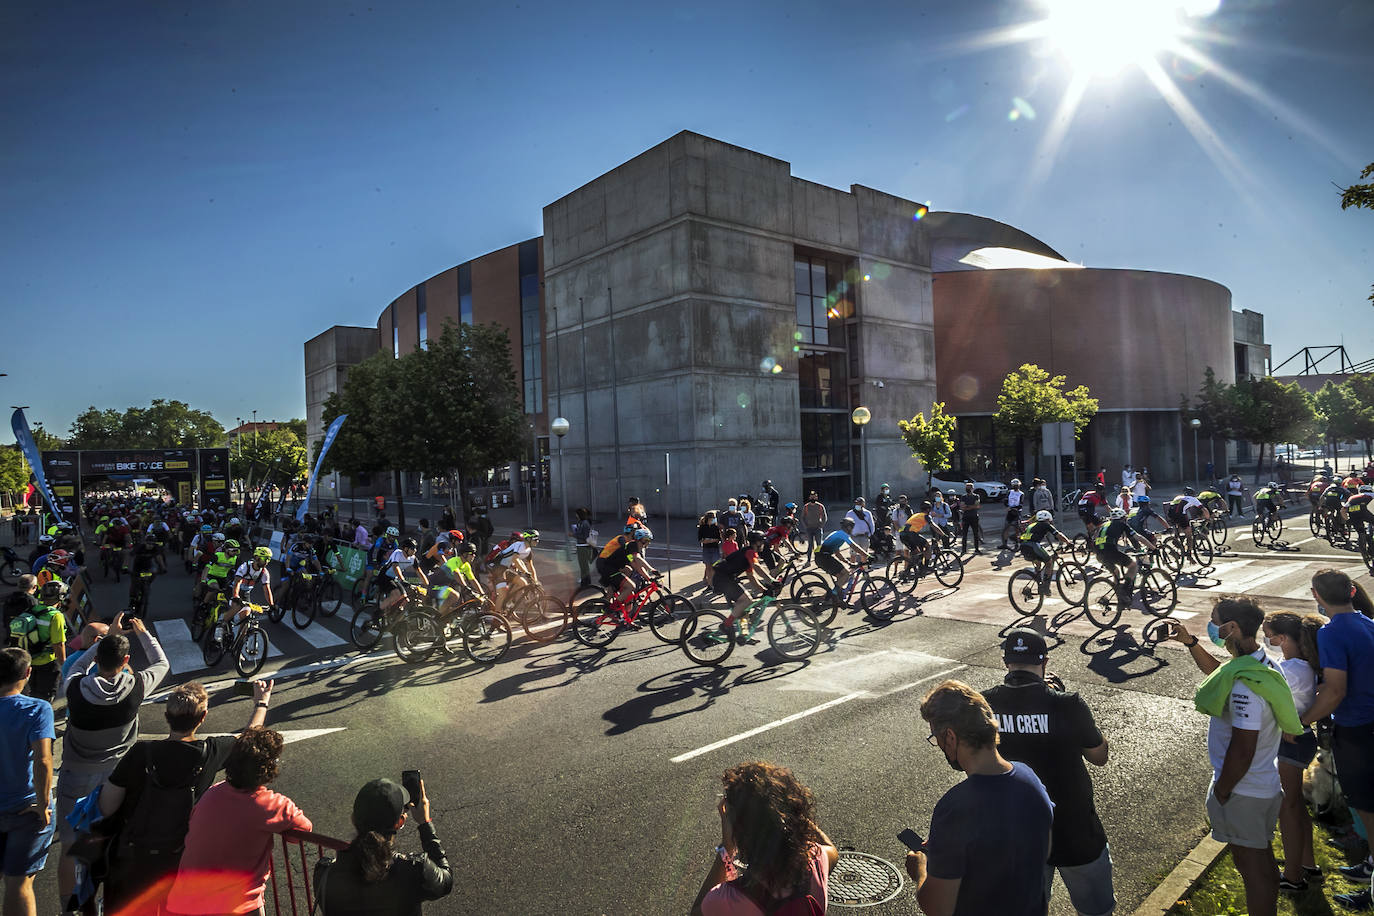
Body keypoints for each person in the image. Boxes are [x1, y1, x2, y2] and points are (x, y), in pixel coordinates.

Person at [1169, 598, 1303, 916]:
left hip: (1244, 790)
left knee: (1254, 867)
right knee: (1253, 860)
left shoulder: (1246, 685)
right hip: (1259, 785)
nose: (1212, 627)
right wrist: (1190, 642)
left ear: (1232, 628)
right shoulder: (1257, 666)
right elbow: (1219, 674)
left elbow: (1244, 748)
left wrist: (1222, 789)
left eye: (1215, 622)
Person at [98, 679, 276, 912]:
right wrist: (261, 703)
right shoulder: (209, 752)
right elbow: (249, 739)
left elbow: (107, 805)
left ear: (166, 716)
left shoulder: (141, 752)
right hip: (185, 858)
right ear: (202, 718)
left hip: (137, 856)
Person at [983, 629, 1113, 916]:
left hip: (1016, 832)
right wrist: (1060, 698)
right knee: (1097, 911)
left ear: (1006, 662)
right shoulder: (1067, 703)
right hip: (1075, 829)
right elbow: (1099, 756)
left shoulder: (984, 705)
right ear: (1045, 662)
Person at [905, 680, 1054, 916]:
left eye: (936, 737)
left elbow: (938, 909)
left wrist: (922, 869)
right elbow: (1043, 850)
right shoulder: (1030, 778)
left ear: (951, 737)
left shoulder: (955, 808)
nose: (940, 746)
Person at [56, 614, 170, 913]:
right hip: (119, 777)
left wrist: (106, 640)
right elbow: (162, 664)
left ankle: (71, 907)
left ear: (97, 658)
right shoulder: (136, 686)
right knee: (116, 841)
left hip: (76, 775)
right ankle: (111, 902)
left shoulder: (76, 687)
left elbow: (78, 665)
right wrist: (144, 633)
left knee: (70, 845)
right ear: (127, 659)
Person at [164, 727, 311, 915]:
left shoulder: (212, 793)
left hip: (184, 901)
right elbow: (302, 832)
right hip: (236, 904)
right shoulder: (271, 805)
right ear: (268, 768)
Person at [1299, 570, 1374, 910]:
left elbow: (1335, 690)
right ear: (1353, 590)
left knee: (1370, 812)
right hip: (1371, 724)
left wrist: (1302, 719)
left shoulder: (1331, 633)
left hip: (1356, 731)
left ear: (1317, 595)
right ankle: (1371, 867)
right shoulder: (1369, 623)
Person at [689, 761, 837, 916]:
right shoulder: (816, 862)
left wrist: (727, 847)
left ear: (738, 830)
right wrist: (792, 814)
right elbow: (830, 848)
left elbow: (697, 912)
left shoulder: (727, 900)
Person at [315, 777, 454, 915]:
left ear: (353, 819)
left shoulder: (324, 874)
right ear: (400, 822)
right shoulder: (415, 870)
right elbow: (445, 882)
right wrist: (425, 823)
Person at [1260, 611, 1325, 892]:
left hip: (1292, 742)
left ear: (1282, 638)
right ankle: (1307, 864)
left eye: (1268, 634)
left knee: (1288, 808)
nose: (1266, 638)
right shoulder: (1295, 665)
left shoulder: (1292, 671)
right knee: (1295, 807)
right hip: (1295, 740)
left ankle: (1293, 875)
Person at [0, 648, 55, 916]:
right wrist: (43, 804)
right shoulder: (37, 709)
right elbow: (43, 760)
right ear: (28, 673)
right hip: (26, 807)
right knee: (19, 882)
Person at [7, 580, 67, 704]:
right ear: (61, 597)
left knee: (34, 692)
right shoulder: (55, 616)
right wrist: (64, 665)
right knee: (46, 696)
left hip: (30, 660)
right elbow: (58, 644)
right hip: (48, 663)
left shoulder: (32, 609)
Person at [713, 532, 777, 636]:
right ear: (756, 543)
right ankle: (726, 625)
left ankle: (744, 635)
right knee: (747, 600)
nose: (764, 544)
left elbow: (751, 576)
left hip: (725, 578)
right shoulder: (750, 552)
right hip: (723, 579)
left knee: (745, 606)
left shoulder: (747, 553)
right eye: (762, 542)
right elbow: (757, 567)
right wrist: (772, 581)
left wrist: (763, 590)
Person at [698, 511, 723, 589]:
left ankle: (713, 583)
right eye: (713, 518)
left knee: (714, 567)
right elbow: (701, 539)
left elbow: (719, 539)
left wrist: (711, 540)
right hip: (706, 549)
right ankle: (709, 584)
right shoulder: (702, 527)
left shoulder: (716, 527)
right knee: (708, 567)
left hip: (715, 549)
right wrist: (709, 540)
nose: (714, 520)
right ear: (708, 519)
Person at [572, 507, 594, 590]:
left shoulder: (584, 523)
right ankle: (585, 581)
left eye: (577, 514)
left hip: (583, 546)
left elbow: (585, 536)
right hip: (581, 546)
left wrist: (574, 534)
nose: (576, 515)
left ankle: (585, 582)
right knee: (583, 565)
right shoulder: (582, 522)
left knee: (583, 565)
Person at [958, 483, 983, 554]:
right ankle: (963, 550)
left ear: (972, 488)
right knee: (964, 535)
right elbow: (962, 507)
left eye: (969, 488)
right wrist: (972, 506)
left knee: (976, 534)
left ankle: (977, 549)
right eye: (967, 488)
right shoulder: (963, 496)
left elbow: (977, 506)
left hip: (974, 517)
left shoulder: (976, 496)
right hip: (965, 517)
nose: (967, 489)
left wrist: (967, 507)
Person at [1000, 479, 1024, 550]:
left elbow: (1021, 504)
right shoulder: (1009, 492)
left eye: (1016, 485)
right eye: (1014, 485)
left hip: (1016, 513)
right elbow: (1005, 500)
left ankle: (1017, 543)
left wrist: (1014, 508)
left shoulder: (1021, 494)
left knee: (1016, 528)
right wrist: (1007, 506)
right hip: (1010, 512)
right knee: (1006, 528)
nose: (1015, 487)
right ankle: (1004, 543)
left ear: (1019, 485)